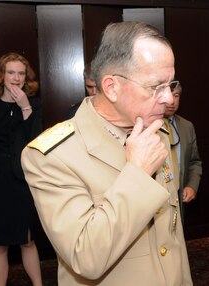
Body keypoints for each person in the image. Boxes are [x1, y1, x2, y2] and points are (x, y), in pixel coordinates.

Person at [21, 22, 192, 286]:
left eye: (171, 84)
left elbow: (172, 239)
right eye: (156, 86)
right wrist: (137, 173)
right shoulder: (52, 156)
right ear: (111, 87)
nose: (169, 98)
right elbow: (85, 256)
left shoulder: (157, 133)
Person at [0, 52, 43, 286]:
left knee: (27, 240)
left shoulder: (34, 106)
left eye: (21, 73)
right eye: (10, 72)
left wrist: (25, 107)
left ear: (26, 77)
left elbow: (38, 144)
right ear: (1, 76)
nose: (16, 77)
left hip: (21, 181)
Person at [164, 82, 202, 225]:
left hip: (179, 199)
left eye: (176, 95)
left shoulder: (187, 126)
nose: (172, 101)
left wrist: (192, 185)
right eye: (168, 95)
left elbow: (195, 162)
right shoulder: (146, 126)